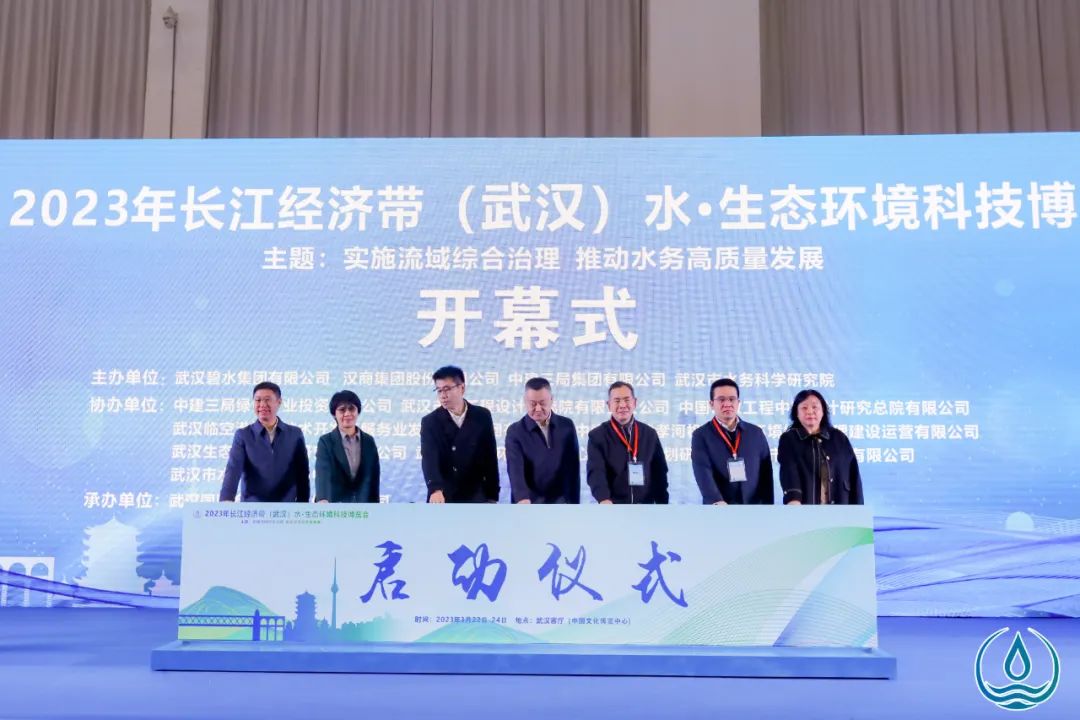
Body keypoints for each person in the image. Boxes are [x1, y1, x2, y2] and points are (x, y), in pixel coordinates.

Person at [420, 365, 500, 503]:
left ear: (462, 388)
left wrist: (492, 495)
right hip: (443, 495)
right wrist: (435, 489)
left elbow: (490, 456)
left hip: (476, 494)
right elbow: (429, 459)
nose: (443, 395)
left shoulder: (482, 416)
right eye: (439, 390)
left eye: (447, 389)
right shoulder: (430, 421)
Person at [219, 381, 310, 502]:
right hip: (252, 508)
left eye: (267, 400)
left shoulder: (294, 434)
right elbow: (233, 470)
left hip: (286, 509)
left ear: (279, 402)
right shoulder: (243, 435)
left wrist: (303, 504)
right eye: (258, 400)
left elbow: (302, 472)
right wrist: (226, 500)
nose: (262, 404)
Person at [691, 378, 774, 505]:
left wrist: (768, 505)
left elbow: (766, 473)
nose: (727, 404)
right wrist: (717, 501)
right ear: (711, 404)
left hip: (754, 508)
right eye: (721, 399)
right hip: (719, 508)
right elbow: (703, 472)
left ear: (738, 402)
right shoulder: (701, 435)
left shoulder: (755, 433)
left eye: (732, 399)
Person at [586, 381, 668, 504]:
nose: (622, 405)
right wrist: (603, 498)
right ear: (609, 405)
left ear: (635, 402)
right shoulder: (597, 436)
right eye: (617, 401)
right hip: (613, 507)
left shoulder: (649, 434)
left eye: (626, 400)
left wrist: (663, 503)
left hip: (646, 507)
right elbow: (596, 472)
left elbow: (659, 472)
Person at [778, 389, 864, 505]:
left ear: (823, 411)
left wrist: (858, 507)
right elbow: (789, 472)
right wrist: (794, 501)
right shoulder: (789, 439)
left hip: (841, 508)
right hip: (805, 509)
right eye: (804, 408)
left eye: (815, 407)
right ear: (796, 413)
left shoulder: (839, 438)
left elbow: (853, 475)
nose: (810, 412)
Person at [504, 377, 580, 504]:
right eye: (533, 404)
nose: (538, 408)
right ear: (525, 401)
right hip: (528, 503)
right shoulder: (515, 431)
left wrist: (574, 503)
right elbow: (515, 470)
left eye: (542, 403)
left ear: (552, 400)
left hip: (561, 503)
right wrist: (522, 499)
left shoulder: (566, 426)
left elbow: (573, 469)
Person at [314, 390, 380, 503]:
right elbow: (323, 473)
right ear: (334, 414)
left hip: (364, 507)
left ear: (358, 411)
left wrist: (375, 505)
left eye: (351, 409)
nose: (347, 413)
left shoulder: (369, 441)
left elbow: (374, 476)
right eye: (342, 410)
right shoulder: (326, 441)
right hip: (335, 506)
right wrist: (322, 499)